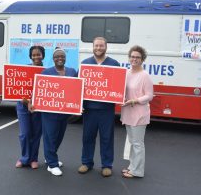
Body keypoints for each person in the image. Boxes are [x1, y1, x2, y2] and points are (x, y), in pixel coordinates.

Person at [78, 37, 120, 177]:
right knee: (87, 137)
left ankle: (107, 165)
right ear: (93, 46)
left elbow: (117, 86)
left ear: (106, 47)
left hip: (106, 110)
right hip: (89, 109)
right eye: (96, 45)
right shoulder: (85, 64)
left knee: (107, 137)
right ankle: (86, 162)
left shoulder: (114, 64)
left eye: (101, 45)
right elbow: (79, 87)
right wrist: (79, 105)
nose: (99, 48)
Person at [39, 48, 77, 176]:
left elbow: (76, 90)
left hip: (64, 112)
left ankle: (50, 157)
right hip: (49, 112)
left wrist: (77, 106)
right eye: (57, 57)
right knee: (50, 137)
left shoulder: (72, 71)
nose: (59, 58)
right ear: (53, 59)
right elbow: (40, 91)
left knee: (59, 136)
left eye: (62, 56)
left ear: (65, 58)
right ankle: (52, 164)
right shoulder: (46, 72)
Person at [120, 45, 153, 178]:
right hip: (128, 112)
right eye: (132, 56)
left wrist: (134, 101)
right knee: (132, 142)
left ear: (142, 59)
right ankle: (132, 166)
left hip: (139, 113)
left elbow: (149, 96)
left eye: (137, 57)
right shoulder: (127, 73)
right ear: (129, 58)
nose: (134, 59)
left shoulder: (145, 76)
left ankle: (137, 171)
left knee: (138, 143)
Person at [15, 45, 45, 169]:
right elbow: (17, 88)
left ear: (43, 55)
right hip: (23, 105)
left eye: (38, 54)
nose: (36, 57)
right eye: (34, 55)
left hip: (38, 107)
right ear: (30, 56)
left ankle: (33, 159)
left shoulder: (46, 71)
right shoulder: (24, 69)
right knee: (25, 133)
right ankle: (24, 158)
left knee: (36, 134)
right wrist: (27, 102)